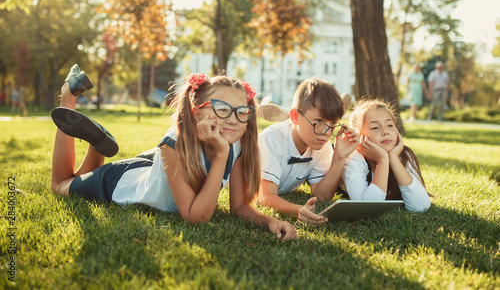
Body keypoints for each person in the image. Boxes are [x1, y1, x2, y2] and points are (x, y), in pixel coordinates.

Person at [50, 65, 297, 240]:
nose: (233, 119)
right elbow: (196, 216)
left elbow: (240, 207)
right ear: (196, 111)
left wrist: (270, 222)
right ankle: (67, 97)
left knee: (75, 179)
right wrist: (221, 156)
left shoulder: (238, 145)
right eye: (222, 108)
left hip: (145, 170)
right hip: (115, 184)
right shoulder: (174, 144)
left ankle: (97, 143)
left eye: (241, 111)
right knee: (60, 184)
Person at [258, 78, 359, 224]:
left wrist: (339, 157)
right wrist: (297, 210)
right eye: (318, 121)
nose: (326, 132)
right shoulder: (271, 139)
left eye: (332, 123)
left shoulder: (321, 143)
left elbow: (322, 196)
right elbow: (265, 196)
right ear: (295, 117)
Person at [342, 99, 431, 213]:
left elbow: (421, 206)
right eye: (375, 127)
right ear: (359, 136)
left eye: (390, 125)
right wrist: (382, 160)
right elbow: (367, 209)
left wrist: (393, 158)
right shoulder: (353, 158)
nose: (385, 132)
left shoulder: (403, 155)